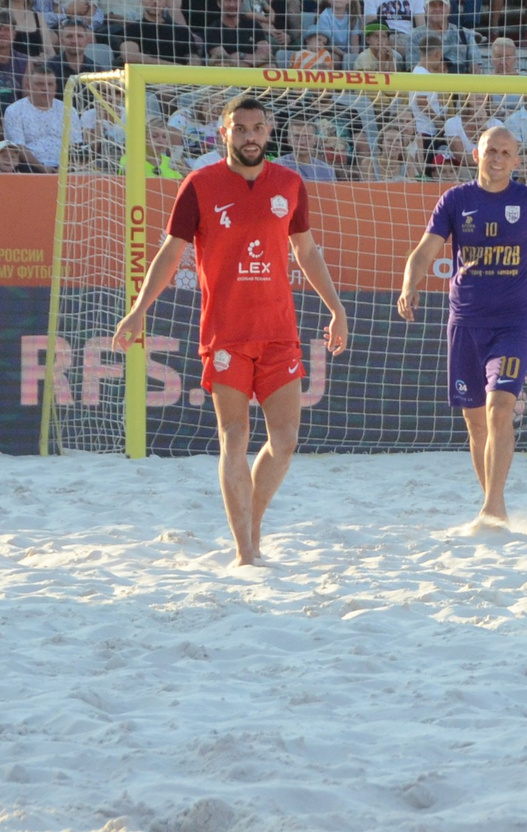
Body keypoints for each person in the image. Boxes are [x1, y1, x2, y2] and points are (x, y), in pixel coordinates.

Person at [112, 97, 351, 567]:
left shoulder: (290, 183)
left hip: (279, 331)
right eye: (240, 128)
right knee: (234, 438)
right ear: (224, 132)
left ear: (269, 131)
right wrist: (139, 309)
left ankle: (251, 524)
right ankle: (246, 553)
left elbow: (306, 251)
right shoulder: (199, 185)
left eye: (257, 128)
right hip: (225, 334)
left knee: (284, 443)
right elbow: (169, 253)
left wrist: (337, 309)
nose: (249, 136)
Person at [399, 122, 527, 527]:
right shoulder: (456, 199)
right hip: (465, 322)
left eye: (506, 153)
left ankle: (494, 507)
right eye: (491, 150)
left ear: (517, 160)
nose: (498, 159)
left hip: (514, 322)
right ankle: (491, 501)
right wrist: (410, 285)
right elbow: (423, 252)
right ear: (477, 154)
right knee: (475, 421)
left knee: (499, 409)